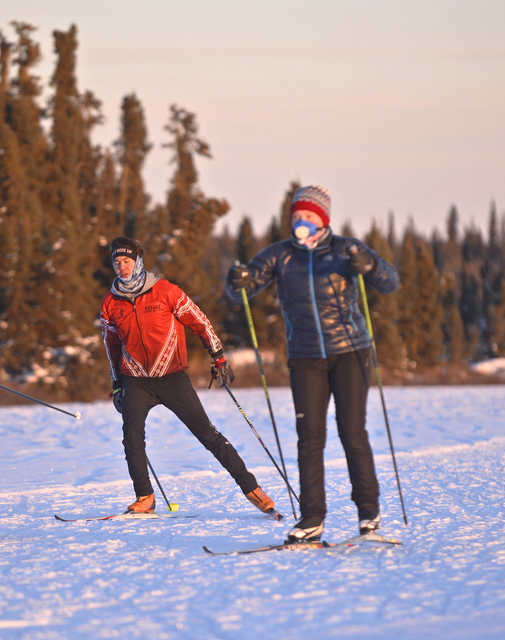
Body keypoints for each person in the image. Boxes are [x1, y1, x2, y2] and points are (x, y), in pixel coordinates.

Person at [226, 185, 399, 543]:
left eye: (308, 216)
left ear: (323, 219)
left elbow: (389, 282)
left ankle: (368, 513)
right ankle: (311, 518)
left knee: (352, 432)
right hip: (305, 358)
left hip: (351, 352)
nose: (301, 222)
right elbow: (244, 288)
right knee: (309, 438)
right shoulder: (280, 255)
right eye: (296, 216)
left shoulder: (345, 250)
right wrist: (238, 282)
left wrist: (370, 266)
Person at [100, 236, 280, 518]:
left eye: (127, 261)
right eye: (117, 262)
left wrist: (217, 355)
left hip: (172, 378)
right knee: (131, 438)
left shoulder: (165, 291)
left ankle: (253, 490)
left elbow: (199, 320)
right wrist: (117, 384)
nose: (122, 267)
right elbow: (111, 346)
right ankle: (144, 498)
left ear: (138, 262)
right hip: (135, 379)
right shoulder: (111, 303)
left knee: (208, 435)